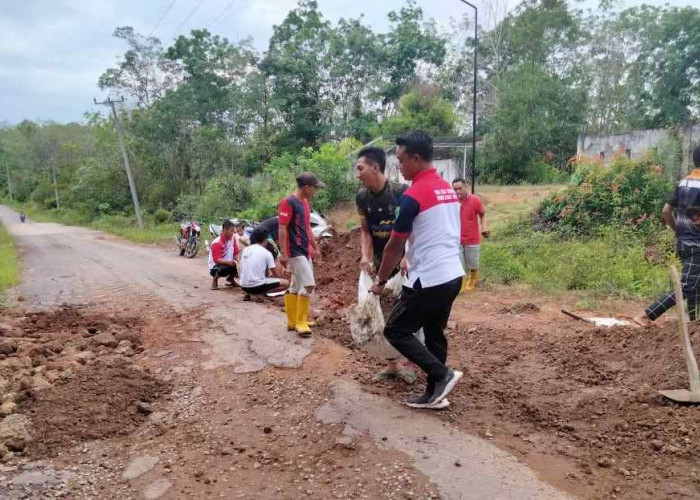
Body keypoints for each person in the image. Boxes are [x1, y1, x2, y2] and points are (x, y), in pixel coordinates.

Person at [370, 131, 464, 410]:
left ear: (415, 158)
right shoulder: (446, 188)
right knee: (434, 332)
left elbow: (393, 246)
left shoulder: (412, 196)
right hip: (452, 274)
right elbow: (432, 230)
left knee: (396, 330)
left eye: (400, 160)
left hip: (429, 278)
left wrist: (381, 280)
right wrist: (409, 254)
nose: (398, 165)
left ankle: (442, 374)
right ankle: (435, 394)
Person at [355, 146, 416, 384]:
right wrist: (366, 256)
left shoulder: (400, 192)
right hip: (380, 265)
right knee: (380, 315)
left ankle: (410, 363)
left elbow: (411, 230)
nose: (358, 174)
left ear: (375, 167)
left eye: (360, 168)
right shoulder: (362, 198)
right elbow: (365, 231)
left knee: (408, 312)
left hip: (404, 265)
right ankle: (392, 364)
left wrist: (406, 255)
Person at [634, 145, 700, 326]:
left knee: (696, 286)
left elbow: (665, 211)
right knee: (687, 285)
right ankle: (647, 315)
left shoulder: (683, 182)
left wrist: (677, 229)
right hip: (696, 244)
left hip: (682, 241)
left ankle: (694, 324)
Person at [279, 172, 325, 337]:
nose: (316, 191)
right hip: (294, 251)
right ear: (306, 187)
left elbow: (307, 227)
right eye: (315, 188)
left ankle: (292, 321)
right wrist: (283, 253)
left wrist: (314, 246)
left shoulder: (305, 203)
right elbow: (282, 228)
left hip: (305, 251)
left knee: (295, 286)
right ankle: (300, 322)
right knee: (308, 286)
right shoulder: (288, 202)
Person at [452, 178, 489, 292]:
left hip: (472, 239)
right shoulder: (452, 202)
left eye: (460, 188)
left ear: (465, 187)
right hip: (457, 239)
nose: (458, 191)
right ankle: (462, 284)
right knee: (459, 264)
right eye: (455, 189)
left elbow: (482, 215)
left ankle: (472, 281)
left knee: (472, 264)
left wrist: (484, 227)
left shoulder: (475, 200)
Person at [240, 228, 290, 300]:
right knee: (286, 283)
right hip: (257, 286)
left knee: (263, 280)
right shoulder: (267, 253)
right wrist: (284, 277)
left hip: (243, 286)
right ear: (266, 240)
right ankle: (259, 293)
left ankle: (251, 293)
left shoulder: (246, 249)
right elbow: (276, 275)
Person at [208, 219, 240, 290]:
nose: (233, 232)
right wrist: (228, 262)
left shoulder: (232, 239)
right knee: (223, 268)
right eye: (231, 230)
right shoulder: (217, 242)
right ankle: (215, 280)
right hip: (216, 265)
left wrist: (240, 262)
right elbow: (217, 260)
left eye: (233, 230)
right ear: (224, 230)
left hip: (228, 262)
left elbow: (236, 252)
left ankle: (231, 279)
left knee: (236, 265)